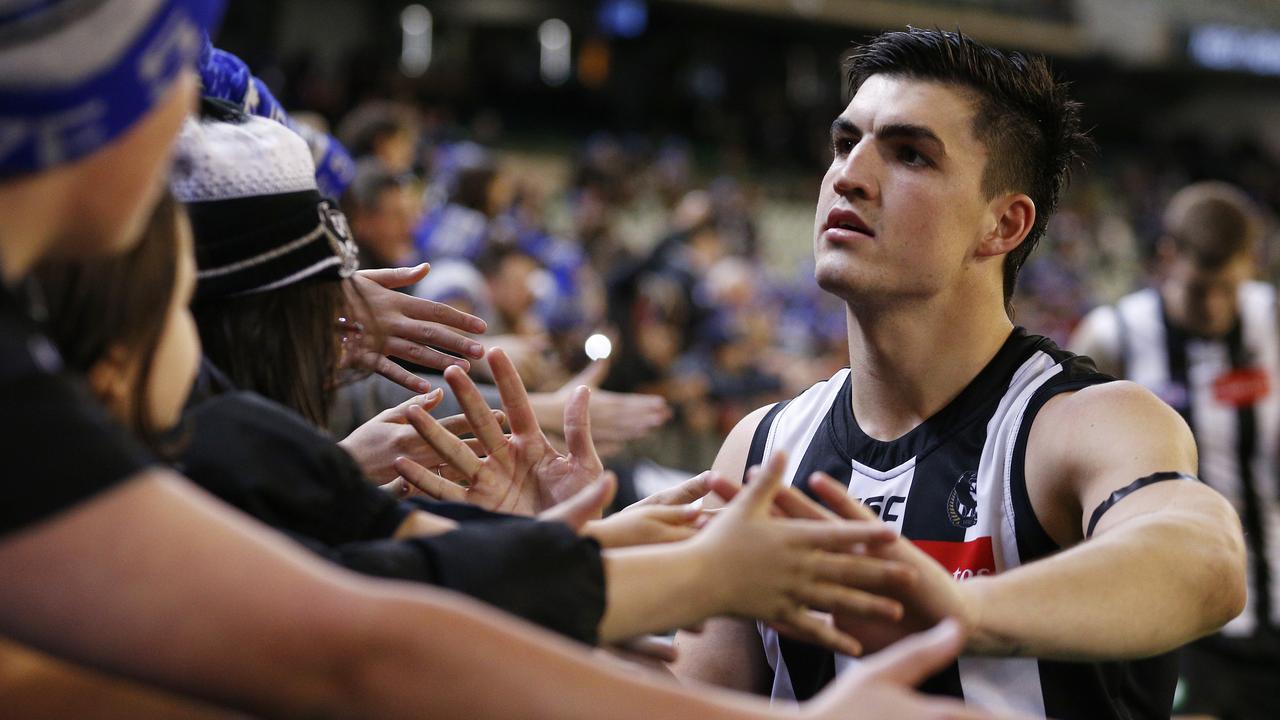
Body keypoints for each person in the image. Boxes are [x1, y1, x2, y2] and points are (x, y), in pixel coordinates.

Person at [0, 7, 997, 715]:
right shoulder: (185, 419)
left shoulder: (175, 408)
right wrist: (691, 579)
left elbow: (366, 567)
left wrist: (610, 550)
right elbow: (353, 638)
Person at [671, 28, 1246, 719]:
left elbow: (1205, 561)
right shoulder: (762, 448)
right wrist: (542, 567)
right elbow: (688, 706)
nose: (849, 175)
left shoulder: (1080, 422)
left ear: (1003, 225)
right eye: (844, 142)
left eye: (910, 155)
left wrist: (963, 612)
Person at [1069, 181, 1280, 719]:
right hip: (1183, 615)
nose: (1214, 307)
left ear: (1249, 266)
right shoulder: (1112, 334)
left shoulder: (1272, 318)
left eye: (1228, 289)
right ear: (1167, 258)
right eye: (1199, 288)